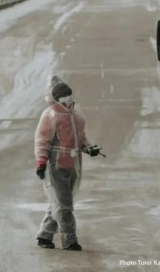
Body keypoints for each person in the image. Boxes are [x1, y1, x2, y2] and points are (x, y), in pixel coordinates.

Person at [34, 82, 101, 251]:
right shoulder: (51, 115)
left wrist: (89, 148)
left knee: (60, 201)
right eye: (64, 96)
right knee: (64, 204)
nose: (67, 98)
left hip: (73, 163)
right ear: (56, 98)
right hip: (56, 163)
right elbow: (42, 141)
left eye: (69, 95)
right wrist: (41, 162)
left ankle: (45, 234)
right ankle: (69, 239)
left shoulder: (76, 114)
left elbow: (80, 137)